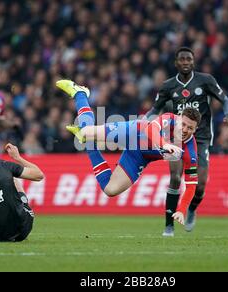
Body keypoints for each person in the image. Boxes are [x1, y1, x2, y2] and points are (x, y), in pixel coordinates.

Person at [56, 80, 200, 230]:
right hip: (134, 131)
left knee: (110, 190)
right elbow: (151, 131)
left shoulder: (190, 152)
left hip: (139, 157)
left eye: (190, 128)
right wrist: (165, 145)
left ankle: (89, 143)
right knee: (85, 132)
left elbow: (191, 185)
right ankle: (80, 93)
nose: (184, 130)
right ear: (179, 119)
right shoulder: (170, 119)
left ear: (195, 130)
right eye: (183, 124)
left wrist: (182, 210)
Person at [146, 47, 228, 236]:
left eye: (189, 59)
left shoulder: (206, 80)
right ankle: (169, 225)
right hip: (176, 138)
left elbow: (225, 100)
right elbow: (155, 109)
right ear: (176, 63)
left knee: (200, 185)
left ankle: (192, 208)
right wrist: (144, 121)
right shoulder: (168, 86)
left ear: (194, 62)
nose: (186, 62)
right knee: (175, 178)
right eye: (182, 59)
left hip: (201, 139)